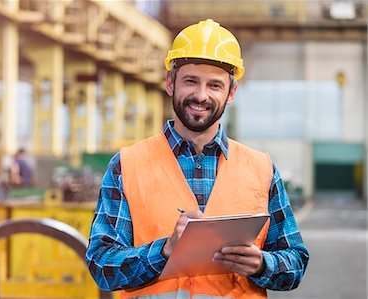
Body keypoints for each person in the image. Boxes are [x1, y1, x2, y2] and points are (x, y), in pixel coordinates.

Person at [85, 19, 309, 298]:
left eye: (215, 85)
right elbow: (101, 265)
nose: (201, 95)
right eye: (191, 81)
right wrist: (164, 250)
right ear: (170, 83)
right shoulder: (126, 165)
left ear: (231, 93)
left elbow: (296, 262)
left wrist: (264, 264)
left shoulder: (261, 169)